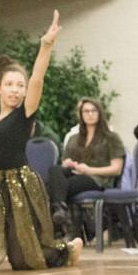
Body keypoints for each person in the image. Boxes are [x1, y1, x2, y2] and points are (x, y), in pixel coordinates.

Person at [0, 11, 83, 274]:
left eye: (19, 85)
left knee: (23, 261)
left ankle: (68, 249)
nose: (15, 89)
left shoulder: (25, 114)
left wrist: (46, 45)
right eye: (9, 84)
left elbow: (37, 79)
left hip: (20, 186)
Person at [46, 98, 125, 242]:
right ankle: (61, 210)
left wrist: (89, 170)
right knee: (54, 170)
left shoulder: (111, 137)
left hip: (97, 178)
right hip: (76, 173)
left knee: (54, 187)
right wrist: (68, 164)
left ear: (100, 113)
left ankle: (65, 225)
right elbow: (64, 163)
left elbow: (116, 169)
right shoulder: (74, 138)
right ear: (81, 114)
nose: (90, 114)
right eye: (86, 111)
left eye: (93, 111)